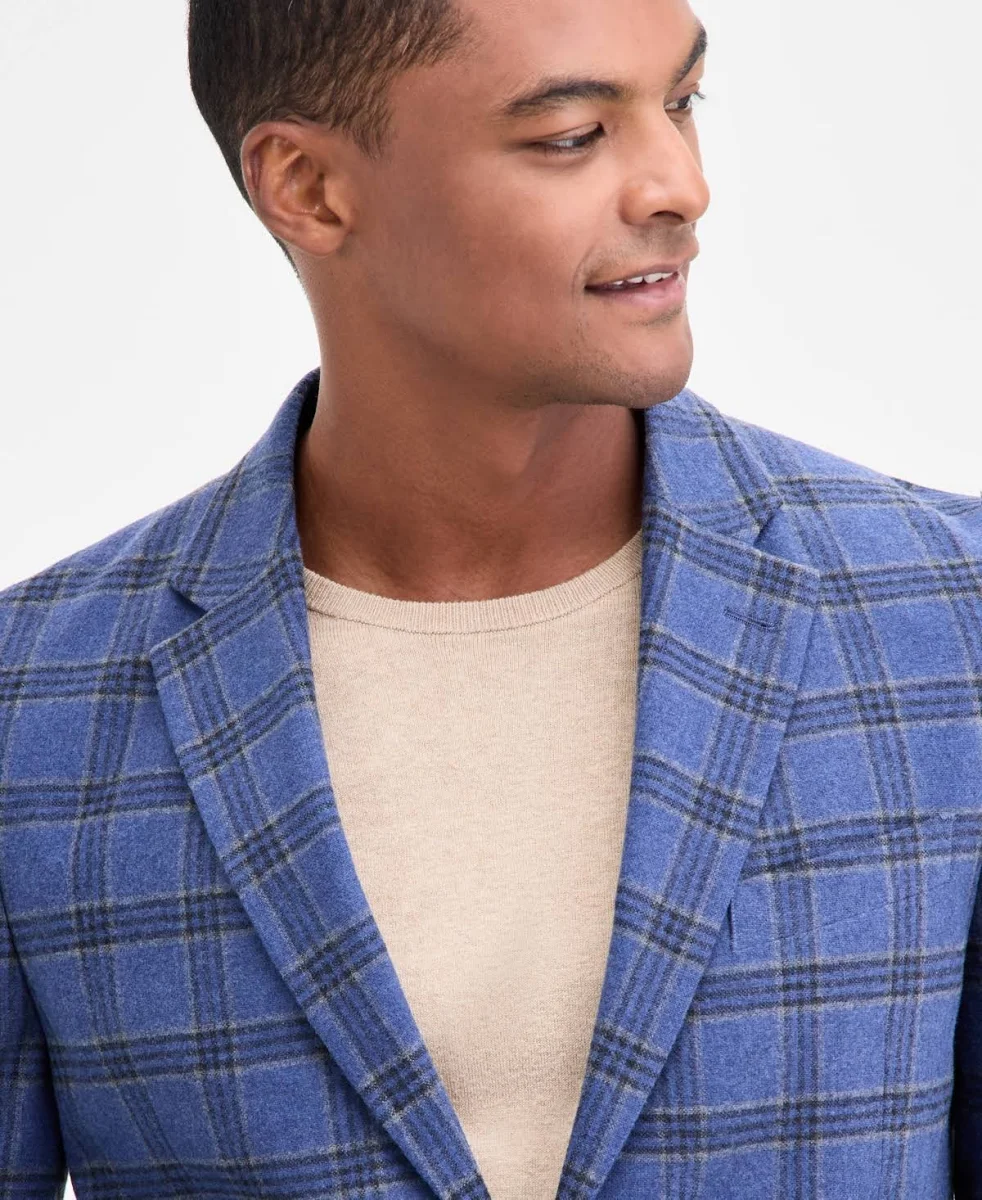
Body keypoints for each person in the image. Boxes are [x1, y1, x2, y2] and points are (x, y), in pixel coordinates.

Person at [1, 0, 980, 1196]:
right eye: (571, 135)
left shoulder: (948, 617)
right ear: (307, 187)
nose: (680, 186)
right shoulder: (33, 705)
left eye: (681, 102)